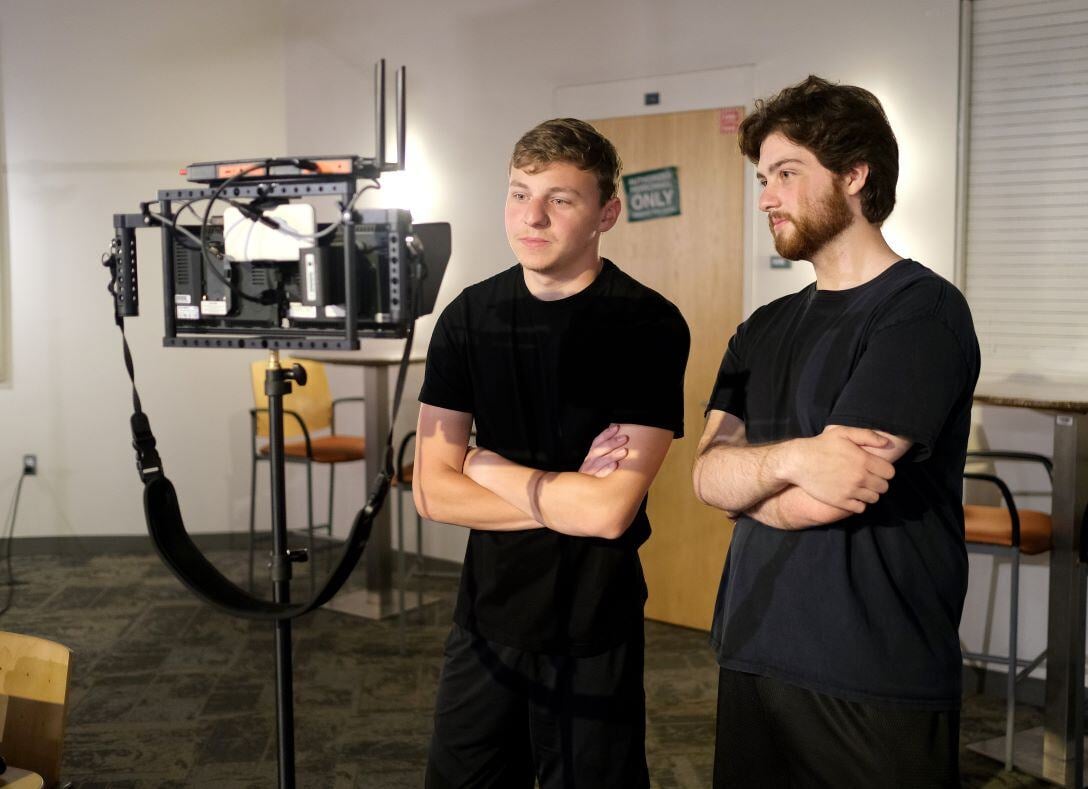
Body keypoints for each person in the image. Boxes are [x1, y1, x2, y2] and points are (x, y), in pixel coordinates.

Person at [692, 76, 979, 788]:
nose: (767, 198)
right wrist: (794, 458)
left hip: (873, 673)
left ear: (855, 175)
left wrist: (746, 487)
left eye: (787, 174)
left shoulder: (922, 313)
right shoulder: (761, 329)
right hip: (753, 650)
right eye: (763, 179)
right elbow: (704, 473)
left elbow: (836, 488)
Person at [414, 117, 690, 789]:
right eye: (519, 193)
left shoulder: (646, 325)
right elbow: (431, 492)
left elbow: (608, 513)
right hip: (486, 618)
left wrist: (484, 465)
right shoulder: (468, 317)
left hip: (593, 624)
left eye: (559, 199)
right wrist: (567, 496)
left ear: (607, 214)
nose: (531, 216)